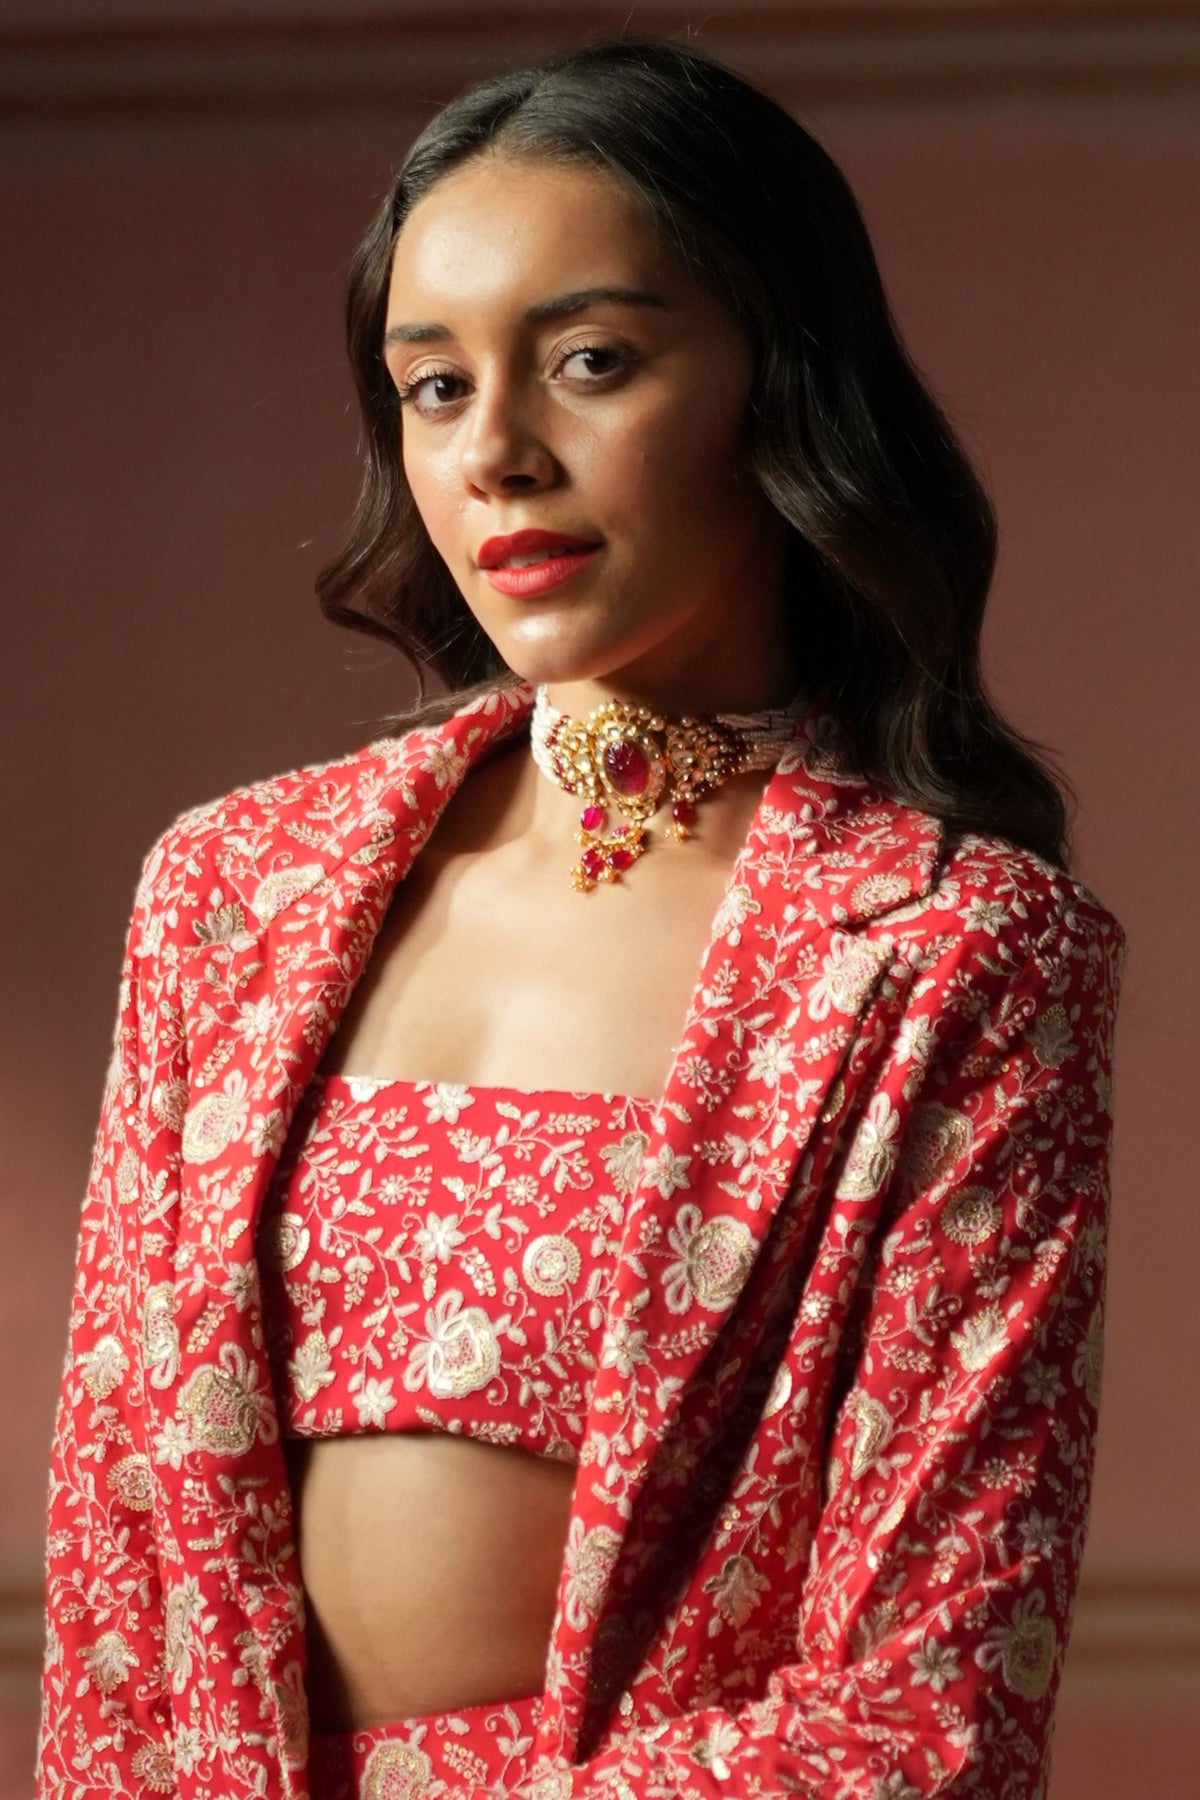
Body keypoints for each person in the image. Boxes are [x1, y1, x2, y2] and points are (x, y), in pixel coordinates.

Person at [37, 36, 1125, 1800]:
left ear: (784, 382)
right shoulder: (233, 893)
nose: (500, 455)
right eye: (434, 385)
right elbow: (116, 1584)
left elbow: (932, 1710)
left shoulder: (952, 958)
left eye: (592, 362)